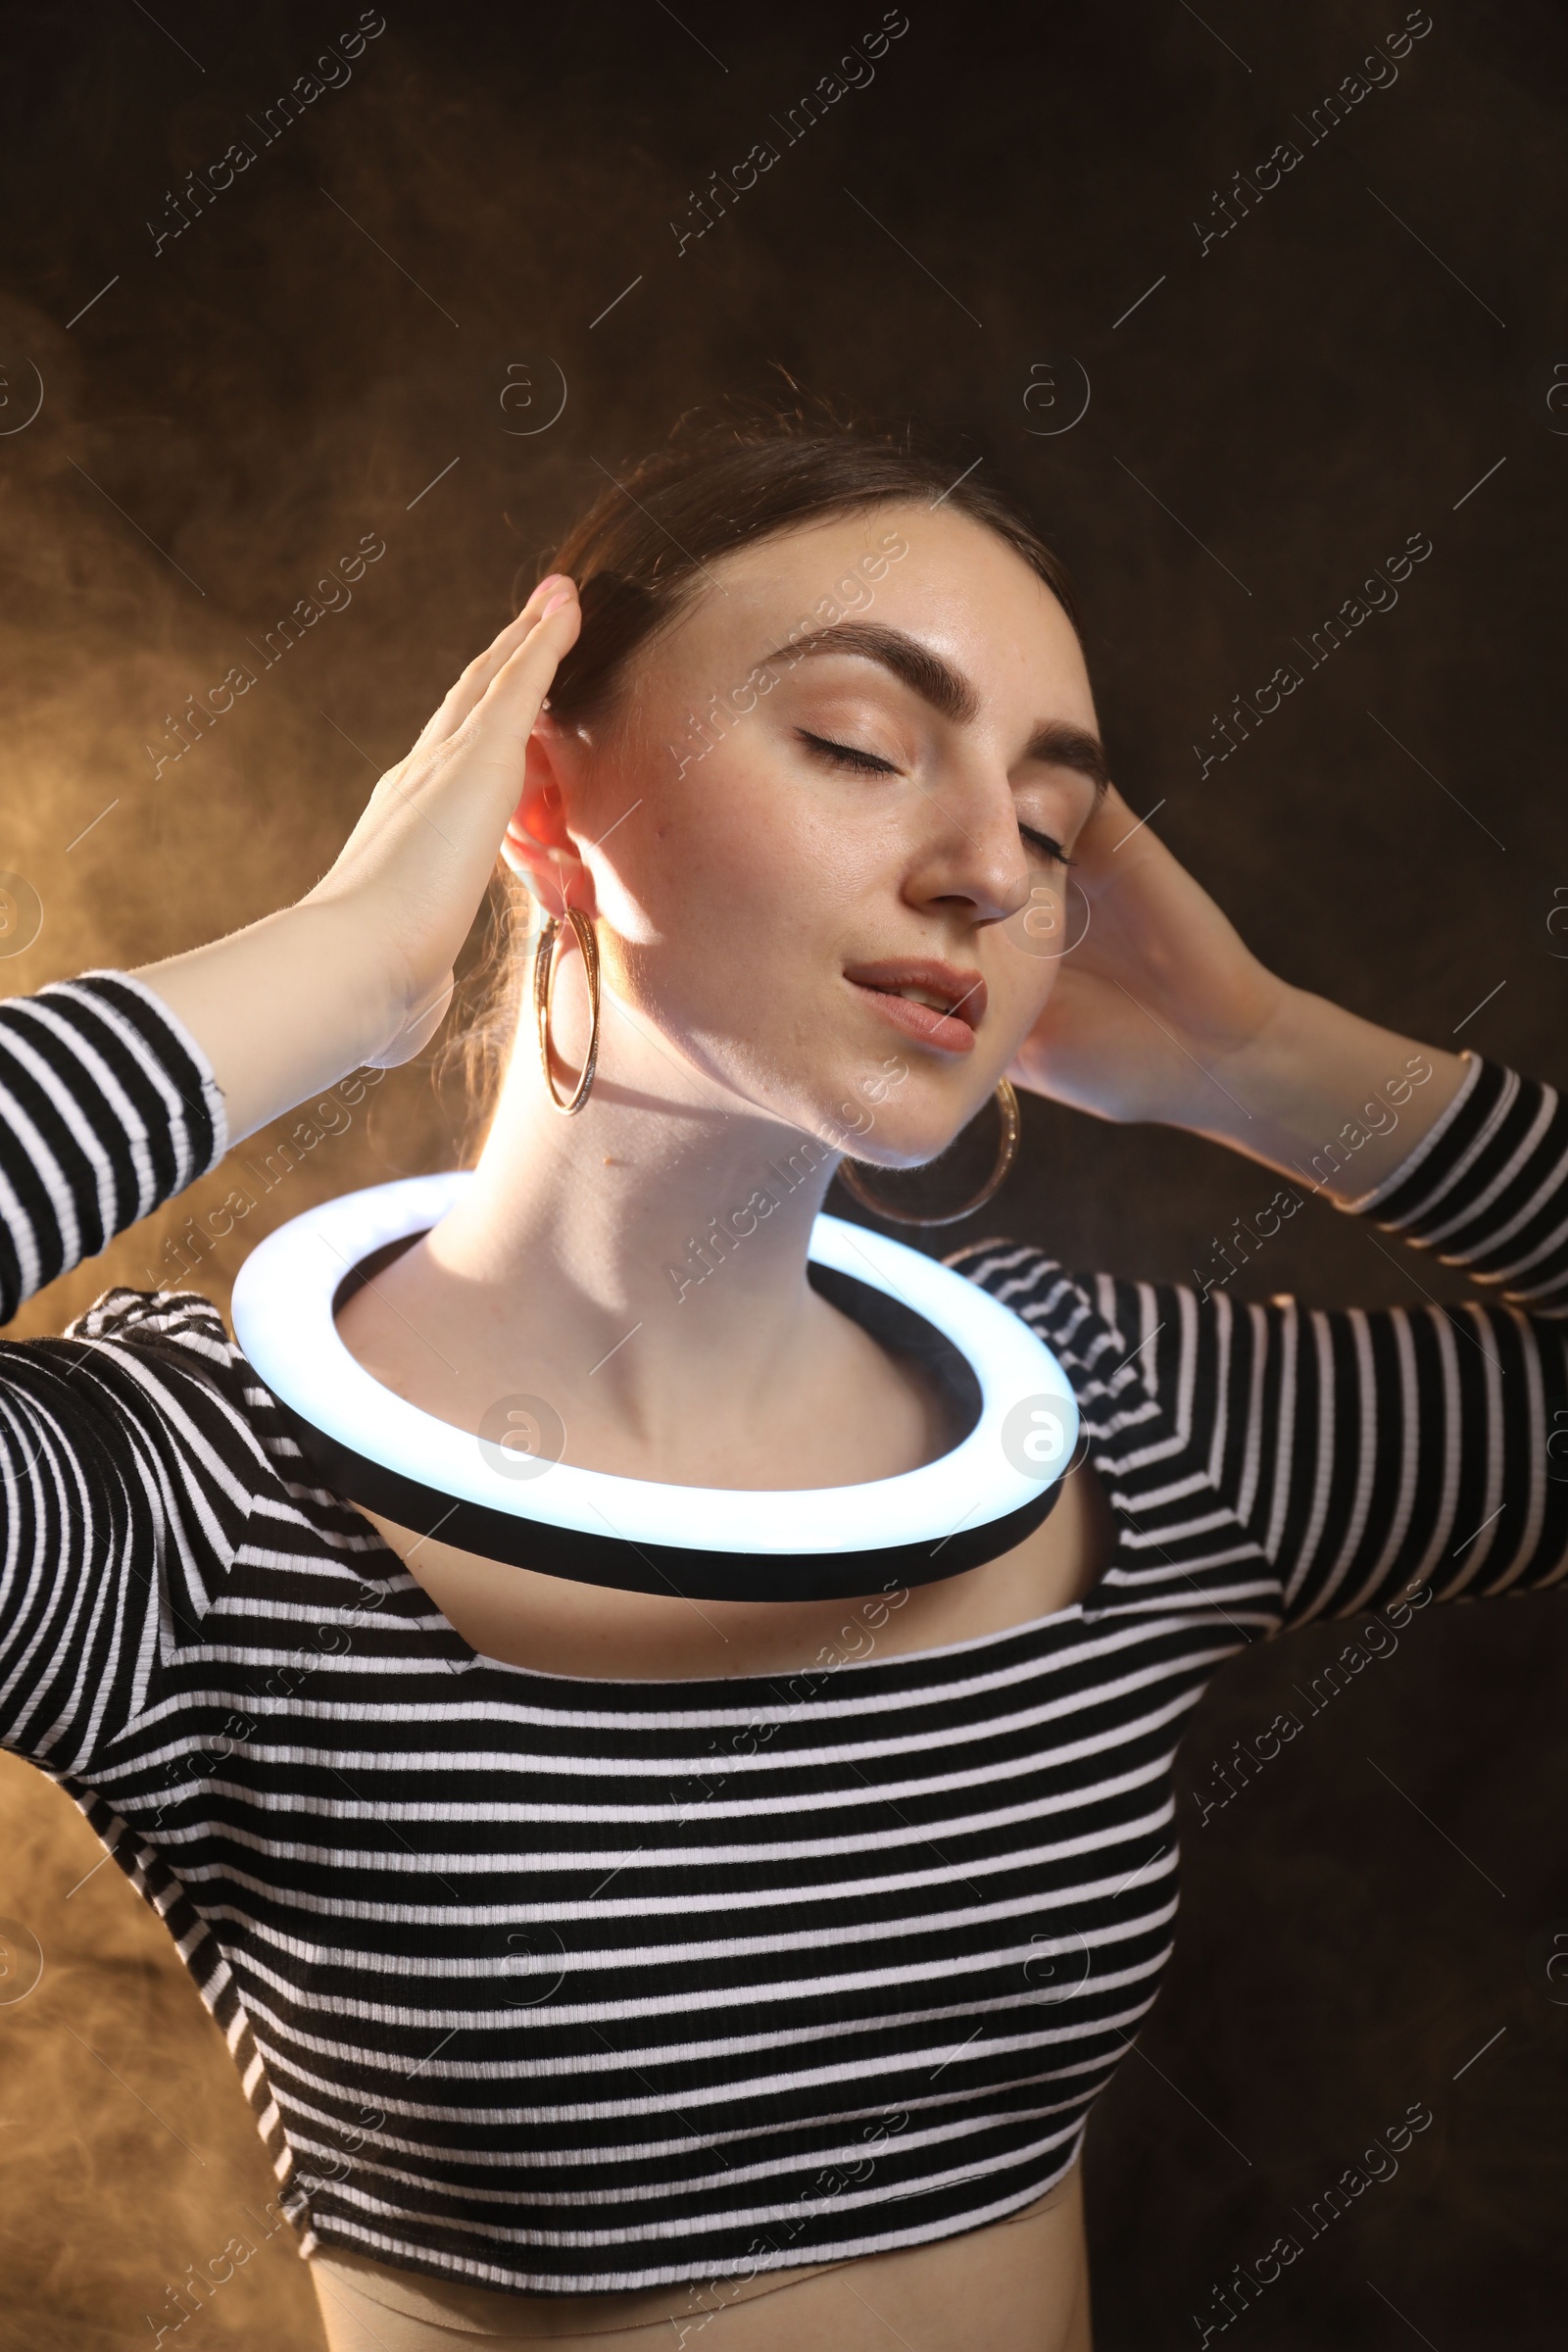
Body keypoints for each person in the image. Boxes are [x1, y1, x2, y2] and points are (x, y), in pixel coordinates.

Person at [1, 413, 1563, 2352]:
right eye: (853, 744)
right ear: (545, 796)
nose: (990, 869)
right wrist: (342, 974)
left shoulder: (1128, 1425)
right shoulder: (195, 1508)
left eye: (1055, 824)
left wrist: (1258, 1062)